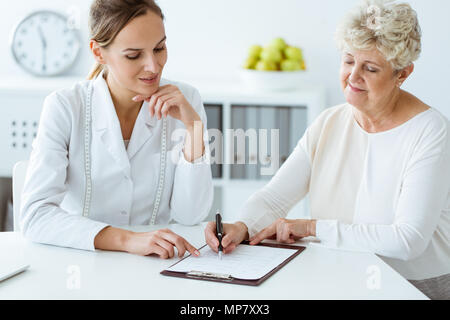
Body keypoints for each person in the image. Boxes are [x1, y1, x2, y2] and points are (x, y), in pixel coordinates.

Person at [205, 0, 449, 299]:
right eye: (348, 60)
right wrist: (242, 226)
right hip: (342, 272)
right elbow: (274, 199)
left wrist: (310, 227)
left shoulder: (430, 130)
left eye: (370, 68)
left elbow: (408, 240)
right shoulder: (330, 122)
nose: (353, 76)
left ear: (402, 74)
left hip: (415, 286)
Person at [20, 0, 213, 259]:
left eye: (159, 48)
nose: (153, 66)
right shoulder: (65, 106)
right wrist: (128, 240)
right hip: (81, 261)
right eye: (134, 55)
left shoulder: (186, 99)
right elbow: (36, 216)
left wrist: (194, 129)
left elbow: (190, 216)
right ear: (99, 53)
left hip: (159, 263)